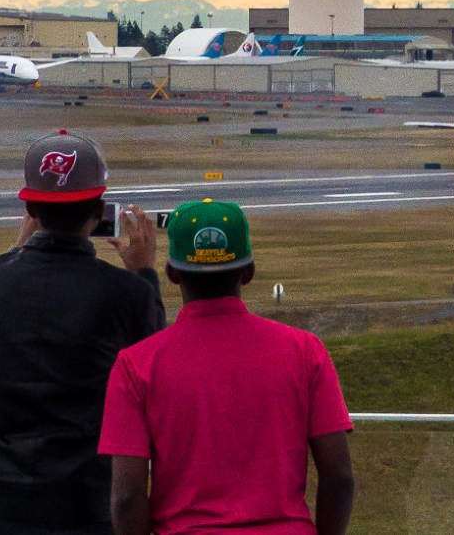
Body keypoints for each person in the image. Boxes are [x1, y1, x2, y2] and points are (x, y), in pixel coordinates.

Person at [0, 129, 164, 535]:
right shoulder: (126, 292)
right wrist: (145, 274)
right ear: (99, 211)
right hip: (86, 502)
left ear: (30, 209)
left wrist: (15, 253)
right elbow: (156, 364)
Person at [99, 199, 354, 535]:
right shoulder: (305, 351)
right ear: (248, 272)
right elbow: (338, 476)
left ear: (173, 274)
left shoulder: (135, 364)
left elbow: (128, 496)